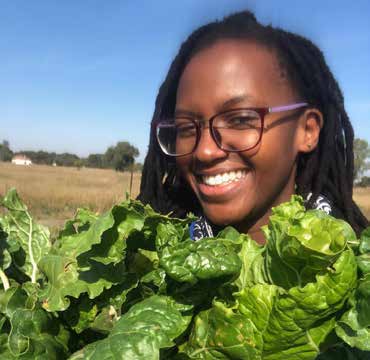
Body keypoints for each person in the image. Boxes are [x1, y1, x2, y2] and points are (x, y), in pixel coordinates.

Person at [137, 10, 369, 244]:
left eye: (239, 120)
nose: (204, 151)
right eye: (186, 127)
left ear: (307, 130)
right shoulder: (144, 263)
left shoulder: (357, 267)